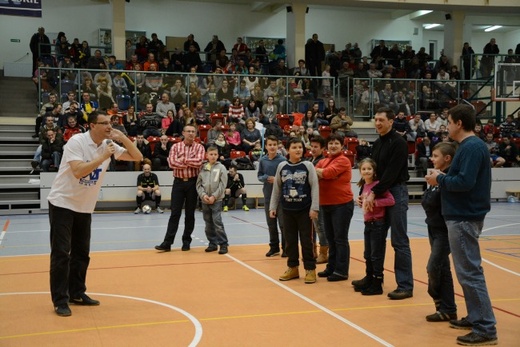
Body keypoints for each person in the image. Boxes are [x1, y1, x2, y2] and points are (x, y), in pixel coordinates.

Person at [48, 111, 143, 317]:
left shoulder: (109, 145)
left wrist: (123, 138)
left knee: (82, 254)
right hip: (63, 202)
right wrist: (103, 156)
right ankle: (60, 300)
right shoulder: (77, 142)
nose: (109, 127)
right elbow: (78, 171)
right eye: (105, 123)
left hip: (84, 206)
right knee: (62, 254)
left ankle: (77, 293)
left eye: (111, 123)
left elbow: (138, 157)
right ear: (92, 125)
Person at [425, 105, 498, 346]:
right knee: (466, 271)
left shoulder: (472, 147)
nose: (447, 126)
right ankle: (476, 317)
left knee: (470, 272)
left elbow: (465, 182)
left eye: (448, 121)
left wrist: (440, 178)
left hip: (465, 216)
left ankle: (485, 328)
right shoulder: (469, 147)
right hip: (461, 215)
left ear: (458, 122)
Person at [363, 107, 413, 300]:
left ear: (391, 121)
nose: (377, 123)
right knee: (376, 238)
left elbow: (391, 174)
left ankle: (405, 285)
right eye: (375, 120)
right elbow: (372, 174)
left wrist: (374, 193)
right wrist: (364, 192)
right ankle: (374, 278)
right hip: (378, 192)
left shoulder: (399, 143)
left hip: (395, 192)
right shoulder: (377, 144)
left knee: (399, 241)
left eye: (381, 120)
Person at [270, 138, 320, 284]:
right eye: (294, 147)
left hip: (304, 210)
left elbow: (315, 187)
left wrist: (314, 208)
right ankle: (293, 268)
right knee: (290, 241)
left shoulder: (308, 165)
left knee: (306, 241)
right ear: (288, 150)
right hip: (286, 210)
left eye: (300, 147)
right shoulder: (282, 166)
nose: (298, 150)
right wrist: (273, 207)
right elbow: (277, 188)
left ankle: (310, 269)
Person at [421, 142, 458, 322]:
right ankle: (448, 309)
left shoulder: (448, 179)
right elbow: (427, 202)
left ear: (447, 158)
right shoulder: (434, 178)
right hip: (432, 227)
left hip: (444, 230)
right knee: (443, 268)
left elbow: (435, 202)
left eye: (435, 156)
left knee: (433, 267)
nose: (432, 159)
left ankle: (437, 298)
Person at [155, 125, 206, 252]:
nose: (191, 133)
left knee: (190, 214)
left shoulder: (199, 147)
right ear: (183, 133)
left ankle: (186, 242)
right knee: (175, 213)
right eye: (188, 131)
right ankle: (167, 243)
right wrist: (190, 161)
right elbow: (172, 163)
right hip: (178, 183)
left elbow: (199, 162)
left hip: (193, 183)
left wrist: (183, 160)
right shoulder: (175, 146)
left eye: (193, 132)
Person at [352, 158, 395, 295]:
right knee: (368, 254)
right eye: (363, 169)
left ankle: (377, 283)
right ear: (360, 172)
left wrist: (375, 202)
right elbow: (364, 201)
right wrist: (360, 201)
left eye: (369, 169)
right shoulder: (363, 186)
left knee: (376, 254)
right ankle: (369, 278)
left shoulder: (378, 186)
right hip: (368, 222)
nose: (366, 171)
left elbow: (390, 200)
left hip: (378, 223)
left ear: (374, 171)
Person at [315, 133, 354, 282]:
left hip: (342, 205)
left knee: (340, 238)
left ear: (342, 146)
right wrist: (322, 173)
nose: (333, 146)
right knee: (331, 239)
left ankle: (342, 270)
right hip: (326, 204)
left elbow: (327, 173)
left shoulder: (343, 160)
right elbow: (317, 173)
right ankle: (331, 267)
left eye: (336, 143)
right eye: (330, 143)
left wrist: (322, 173)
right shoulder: (323, 161)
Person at [196, 145, 229, 254]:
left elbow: (222, 185)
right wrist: (203, 195)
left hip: (217, 200)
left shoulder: (221, 168)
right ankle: (212, 243)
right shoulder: (203, 168)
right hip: (205, 200)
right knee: (208, 223)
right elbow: (199, 185)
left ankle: (223, 244)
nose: (213, 156)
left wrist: (214, 196)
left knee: (217, 222)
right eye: (211, 154)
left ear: (218, 155)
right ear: (207, 155)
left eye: (215, 154)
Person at [258, 135, 287, 257]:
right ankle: (274, 247)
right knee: (271, 224)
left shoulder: (283, 160)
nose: (272, 147)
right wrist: (266, 178)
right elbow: (259, 176)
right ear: (266, 146)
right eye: (270, 145)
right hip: (268, 196)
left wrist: (277, 179)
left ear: (277, 145)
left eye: (274, 145)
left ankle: (286, 248)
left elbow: (287, 176)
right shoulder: (263, 160)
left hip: (280, 198)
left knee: (283, 224)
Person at [309, 136, 328, 264]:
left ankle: (324, 252)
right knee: (313, 227)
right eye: (312, 146)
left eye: (316, 147)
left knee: (320, 226)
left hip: (319, 198)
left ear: (322, 149)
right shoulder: (310, 160)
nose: (313, 149)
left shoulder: (323, 162)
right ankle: (313, 250)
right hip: (310, 198)